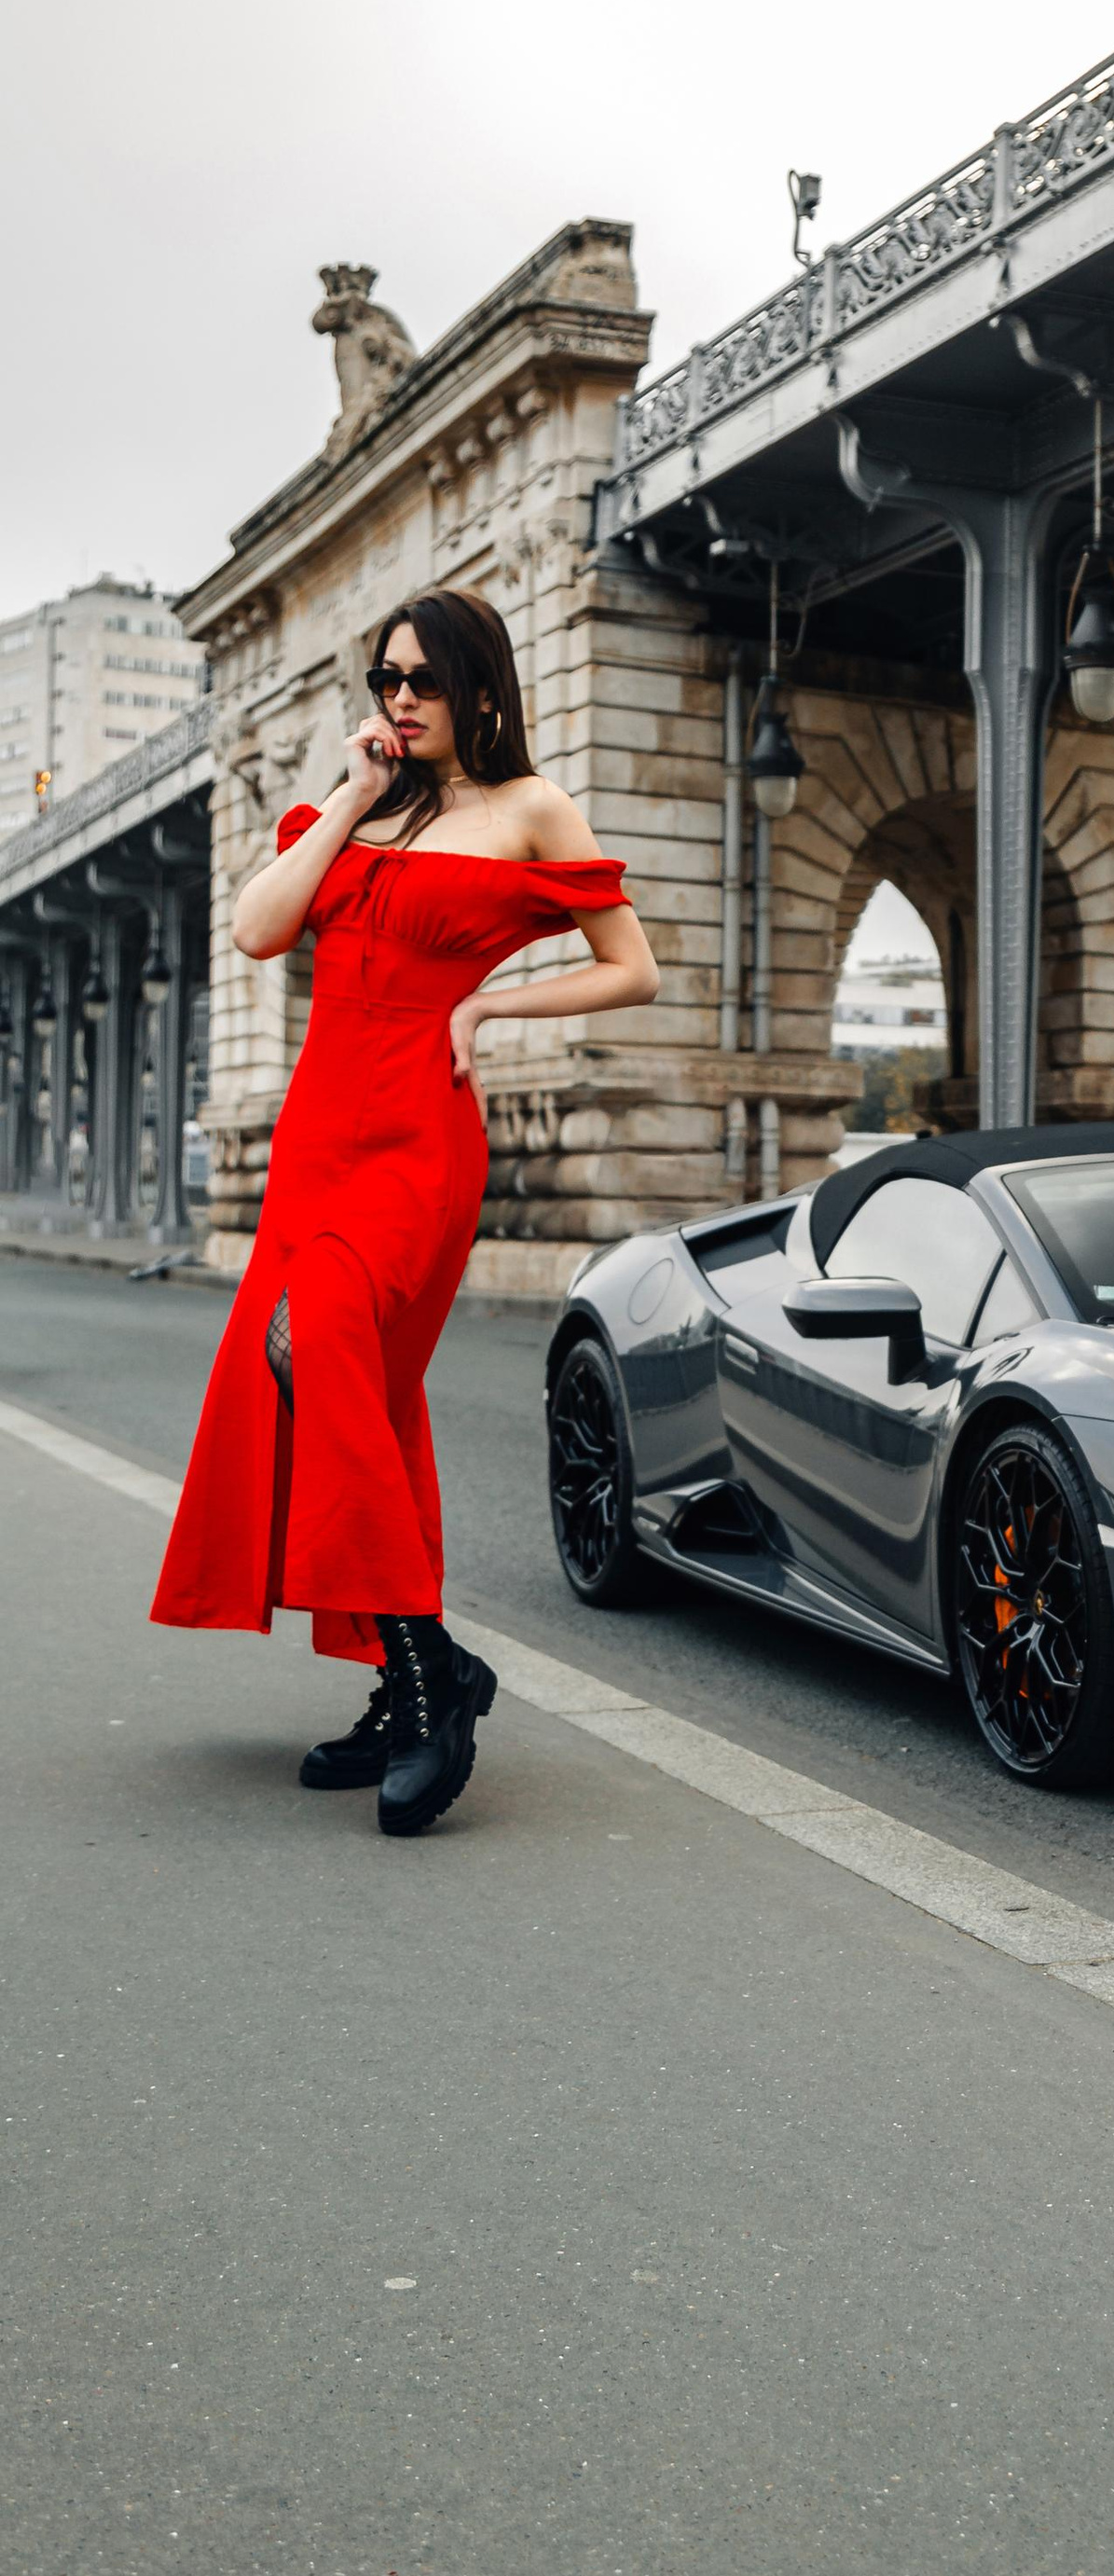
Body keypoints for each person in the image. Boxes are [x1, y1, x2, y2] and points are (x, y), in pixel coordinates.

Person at [153, 586, 659, 1836]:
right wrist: (352, 796)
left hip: (420, 1139)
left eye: (424, 679)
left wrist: (487, 1006)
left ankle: (430, 1671)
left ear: (481, 687)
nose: (401, 698)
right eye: (387, 678)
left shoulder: (531, 809)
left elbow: (631, 967)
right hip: (316, 1141)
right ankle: (412, 1681)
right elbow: (259, 929)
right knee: (356, 1395)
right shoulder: (360, 807)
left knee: (318, 1338)